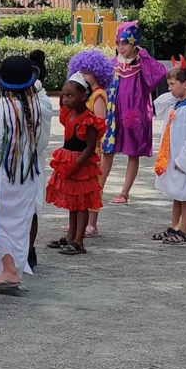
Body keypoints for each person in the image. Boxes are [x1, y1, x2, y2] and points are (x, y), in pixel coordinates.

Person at [0, 55, 50, 292]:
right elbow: (42, 144)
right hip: (29, 173)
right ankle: (12, 268)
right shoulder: (41, 107)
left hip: (5, 174)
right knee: (21, 223)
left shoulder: (2, 109)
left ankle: (8, 270)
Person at [102, 21, 168, 206]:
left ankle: (125, 192)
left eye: (125, 43)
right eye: (118, 43)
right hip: (113, 114)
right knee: (107, 151)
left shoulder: (143, 64)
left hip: (134, 113)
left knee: (133, 152)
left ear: (135, 44)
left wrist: (143, 55)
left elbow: (159, 73)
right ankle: (98, 187)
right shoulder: (112, 63)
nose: (120, 48)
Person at [45, 73, 105, 255]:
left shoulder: (88, 120)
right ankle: (71, 236)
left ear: (84, 97)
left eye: (70, 96)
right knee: (73, 203)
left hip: (81, 165)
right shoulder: (69, 114)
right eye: (63, 95)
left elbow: (90, 147)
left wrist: (75, 165)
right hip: (69, 159)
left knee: (82, 204)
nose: (65, 99)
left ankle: (79, 240)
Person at [152, 62, 186, 244]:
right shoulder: (177, 104)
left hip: (183, 160)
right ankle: (174, 226)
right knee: (177, 195)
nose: (169, 89)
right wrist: (174, 92)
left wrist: (184, 161)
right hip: (174, 157)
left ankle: (184, 231)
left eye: (172, 84)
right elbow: (160, 103)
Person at [67, 49, 115, 238]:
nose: (83, 75)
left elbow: (99, 121)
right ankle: (78, 221)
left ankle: (92, 224)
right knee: (79, 185)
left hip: (91, 147)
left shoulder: (98, 94)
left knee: (92, 185)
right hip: (79, 145)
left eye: (87, 72)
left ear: (97, 73)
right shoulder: (87, 94)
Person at [27, 49, 55, 270]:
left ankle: (28, 250)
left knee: (32, 207)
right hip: (16, 161)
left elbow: (41, 141)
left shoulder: (42, 102)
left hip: (31, 160)